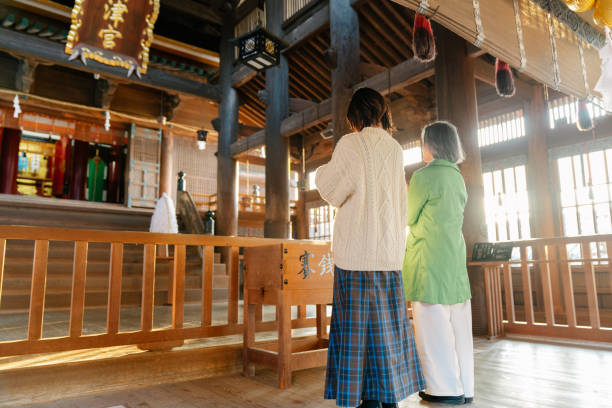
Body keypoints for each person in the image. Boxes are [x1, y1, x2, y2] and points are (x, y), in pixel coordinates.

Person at [317, 87, 425, 408]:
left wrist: (318, 172)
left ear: (355, 115)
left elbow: (331, 189)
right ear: (382, 112)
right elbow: (401, 203)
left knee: (355, 336)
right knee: (386, 334)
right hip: (389, 256)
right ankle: (388, 399)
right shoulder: (394, 149)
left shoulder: (351, 143)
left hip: (355, 257)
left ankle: (365, 401)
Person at [402, 121, 474, 405]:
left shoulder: (423, 177)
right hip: (453, 259)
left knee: (433, 331)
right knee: (459, 330)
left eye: (423, 141)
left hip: (429, 260)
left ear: (432, 144)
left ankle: (444, 390)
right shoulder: (457, 176)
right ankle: (465, 388)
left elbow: (407, 216)